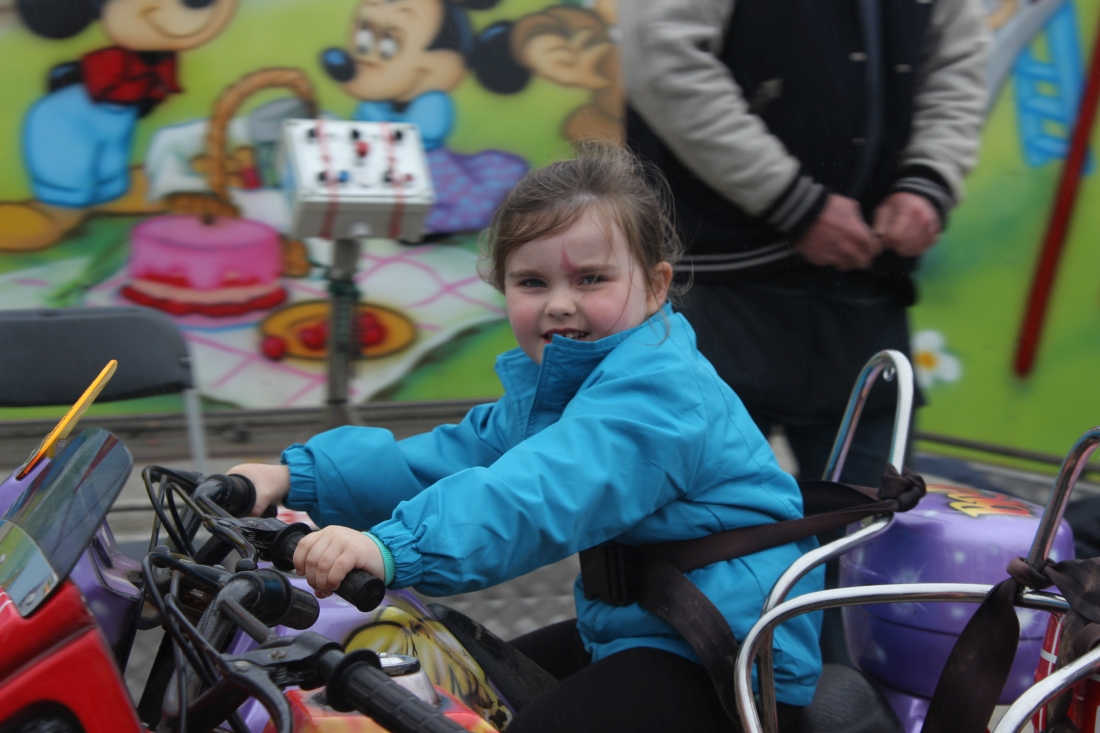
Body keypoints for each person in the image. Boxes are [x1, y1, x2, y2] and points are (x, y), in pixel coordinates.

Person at [229, 144, 821, 732]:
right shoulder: (564, 385)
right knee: (461, 683)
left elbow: (538, 492)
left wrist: (391, 548)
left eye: (592, 279)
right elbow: (450, 457)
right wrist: (294, 477)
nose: (560, 304)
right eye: (533, 282)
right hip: (645, 627)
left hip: (728, 653)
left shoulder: (659, 391)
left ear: (655, 286)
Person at [621, 0, 988, 663]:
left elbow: (956, 66)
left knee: (865, 556)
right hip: (719, 287)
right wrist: (792, 200)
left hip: (863, 293)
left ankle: (837, 699)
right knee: (683, 557)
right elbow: (663, 56)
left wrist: (928, 180)